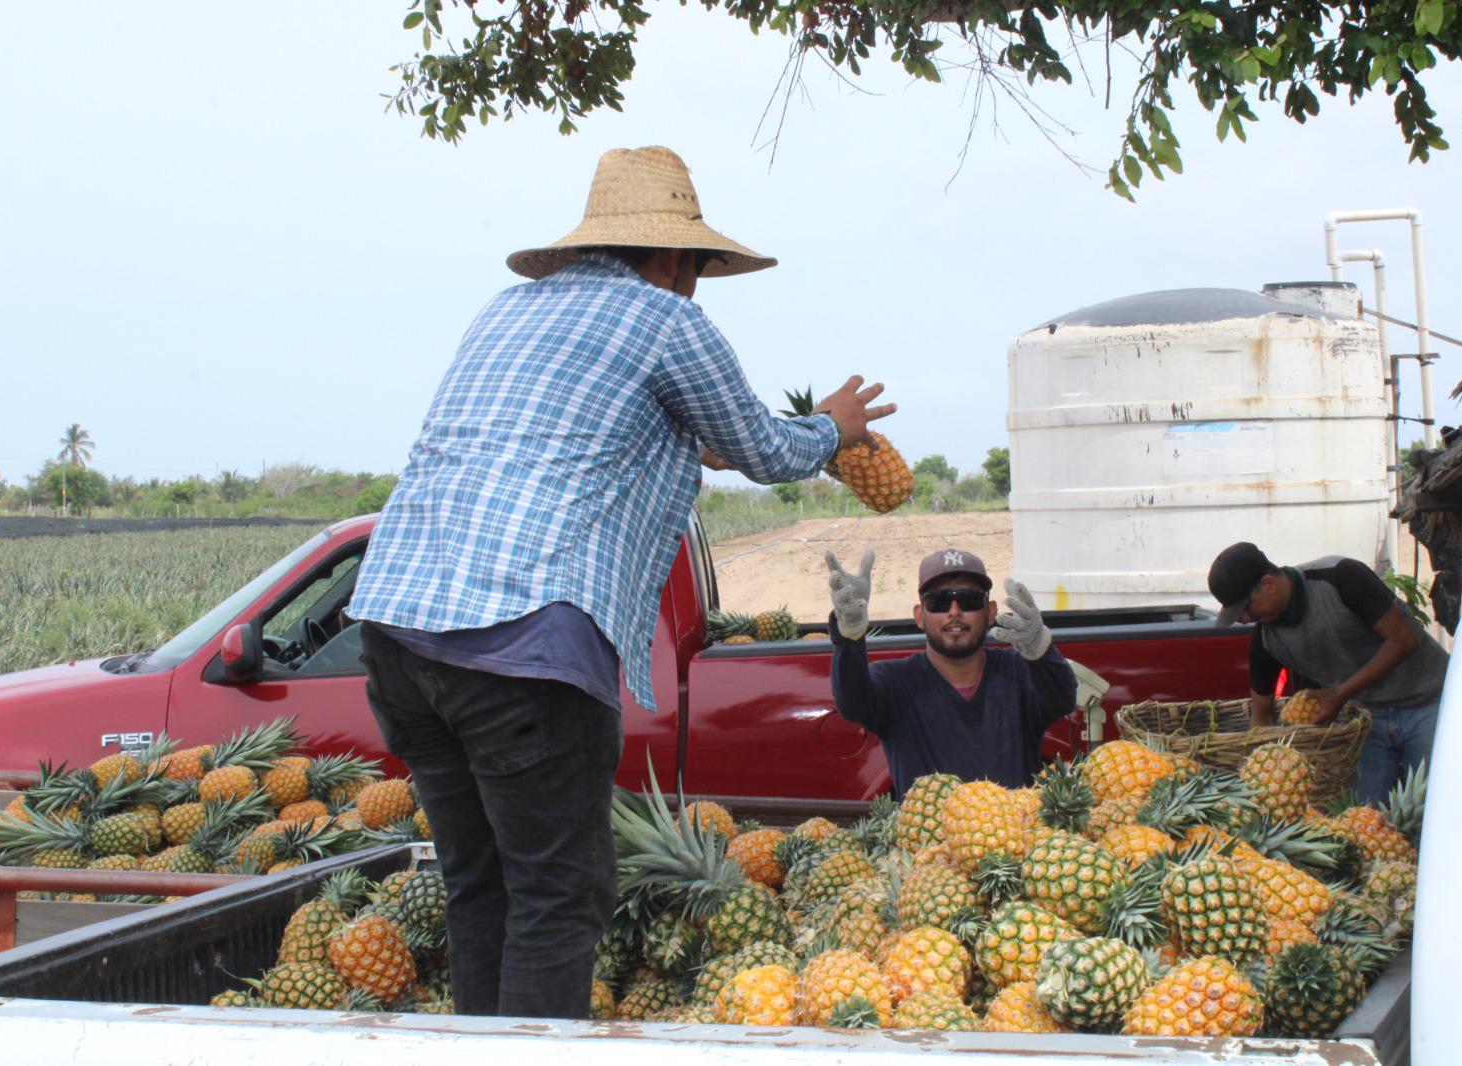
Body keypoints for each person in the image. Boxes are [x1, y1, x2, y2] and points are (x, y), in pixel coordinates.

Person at [346, 146, 895, 1020]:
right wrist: (833, 426)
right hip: (517, 643)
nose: (696, 284)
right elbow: (764, 449)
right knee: (559, 899)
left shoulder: (504, 312)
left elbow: (584, 436)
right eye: (700, 269)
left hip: (397, 632)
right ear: (676, 258)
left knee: (480, 886)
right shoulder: (668, 322)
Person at [825, 547, 1080, 798]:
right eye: (939, 602)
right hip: (927, 840)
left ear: (991, 612)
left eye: (969, 600)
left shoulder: (1019, 671)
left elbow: (1062, 698)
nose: (954, 611)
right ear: (920, 616)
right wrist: (849, 637)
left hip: (1016, 837)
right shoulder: (895, 682)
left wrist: (1041, 649)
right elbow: (852, 702)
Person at [1207, 541, 1450, 803]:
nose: (1243, 618)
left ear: (1268, 584)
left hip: (1429, 701)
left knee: (1435, 806)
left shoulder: (1340, 577)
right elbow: (1261, 718)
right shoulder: (1265, 640)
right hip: (1367, 718)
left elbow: (1403, 640)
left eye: (1244, 608)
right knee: (1364, 812)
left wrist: (1341, 694)